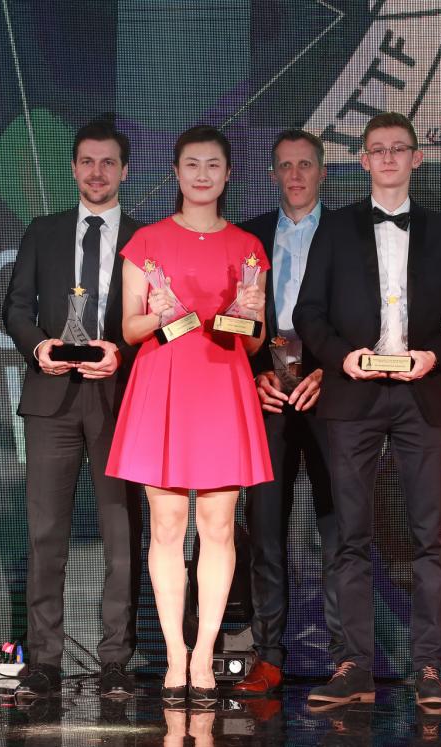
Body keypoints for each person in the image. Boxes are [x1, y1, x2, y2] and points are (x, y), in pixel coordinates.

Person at [294, 112, 441, 708]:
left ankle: (428, 667)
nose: (390, 158)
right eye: (378, 150)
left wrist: (435, 356)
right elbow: (308, 315)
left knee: (431, 536)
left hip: (420, 395)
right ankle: (353, 666)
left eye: (400, 149)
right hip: (353, 396)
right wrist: (343, 359)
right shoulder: (337, 228)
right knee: (349, 535)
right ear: (364, 160)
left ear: (417, 158)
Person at [106, 125, 272, 705]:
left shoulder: (249, 247)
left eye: (214, 166)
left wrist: (249, 313)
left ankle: (205, 652)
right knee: (168, 528)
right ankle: (175, 652)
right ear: (176, 174)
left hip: (223, 385)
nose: (202, 175)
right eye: (192, 165)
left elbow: (253, 345)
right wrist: (161, 311)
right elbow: (128, 330)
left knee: (220, 528)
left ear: (227, 176)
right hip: (165, 386)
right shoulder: (145, 242)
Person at [2, 118, 143, 699]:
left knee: (122, 534)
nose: (97, 172)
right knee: (46, 533)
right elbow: (13, 307)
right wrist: (39, 347)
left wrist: (123, 351)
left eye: (108, 162)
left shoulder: (145, 237)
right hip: (50, 395)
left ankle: (115, 661)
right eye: (87, 161)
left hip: (118, 397)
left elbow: (156, 320)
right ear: (73, 168)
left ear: (125, 170)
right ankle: (45, 659)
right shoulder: (43, 231)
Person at [233, 129, 342, 695]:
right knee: (267, 529)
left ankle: (348, 657)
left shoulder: (349, 231)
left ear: (322, 172)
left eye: (305, 165)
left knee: (338, 527)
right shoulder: (247, 235)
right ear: (273, 174)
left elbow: (363, 313)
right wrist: (254, 375)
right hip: (268, 393)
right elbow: (229, 320)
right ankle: (268, 654)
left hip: (331, 394)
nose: (295, 175)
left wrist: (331, 369)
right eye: (285, 167)